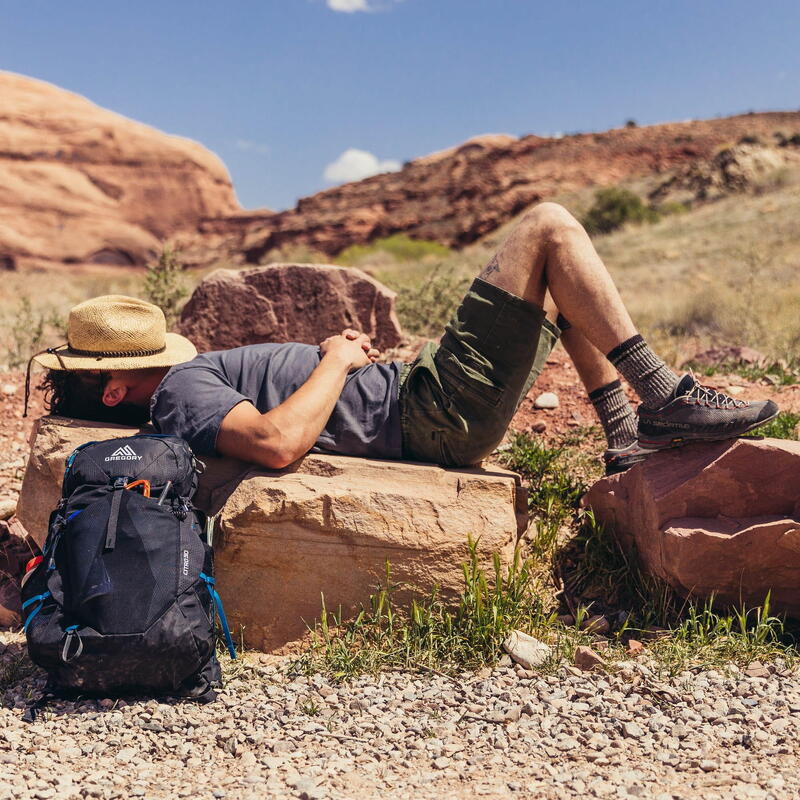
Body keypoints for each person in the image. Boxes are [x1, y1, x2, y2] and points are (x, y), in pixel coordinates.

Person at [28, 203, 777, 475]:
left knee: (553, 279)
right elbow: (276, 444)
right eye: (146, 358)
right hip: (427, 413)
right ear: (120, 385)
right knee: (549, 226)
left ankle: (626, 436)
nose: (171, 357)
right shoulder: (180, 395)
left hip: (423, 403)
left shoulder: (172, 392)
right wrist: (337, 359)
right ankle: (662, 397)